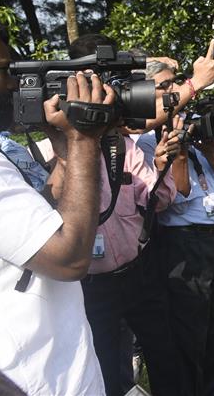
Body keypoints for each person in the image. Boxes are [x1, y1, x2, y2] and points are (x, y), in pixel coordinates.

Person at [0, 9, 109, 394]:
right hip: (33, 376)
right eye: (2, 70)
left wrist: (65, 151)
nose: (14, 85)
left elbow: (36, 222)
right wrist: (85, 139)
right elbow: (69, 257)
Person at [66, 34, 186, 396]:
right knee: (104, 367)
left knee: (165, 356)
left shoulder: (125, 146)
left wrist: (163, 166)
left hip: (138, 275)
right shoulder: (53, 151)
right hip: (90, 288)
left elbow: (157, 201)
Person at [138, 60, 214, 396]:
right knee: (190, 330)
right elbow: (174, 197)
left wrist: (208, 149)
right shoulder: (147, 143)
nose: (172, 92)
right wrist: (177, 158)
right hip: (184, 243)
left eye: (173, 85)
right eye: (163, 87)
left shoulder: (195, 124)